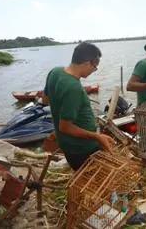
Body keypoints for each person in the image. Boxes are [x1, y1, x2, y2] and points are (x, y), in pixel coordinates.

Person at [43, 42, 115, 171]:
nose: (94, 70)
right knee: (92, 182)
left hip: (67, 144)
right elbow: (65, 127)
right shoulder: (73, 87)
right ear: (87, 63)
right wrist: (97, 136)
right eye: (95, 67)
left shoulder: (55, 72)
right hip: (81, 148)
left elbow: (45, 99)